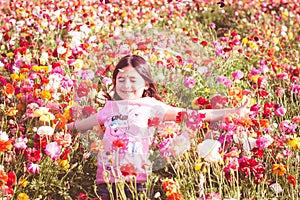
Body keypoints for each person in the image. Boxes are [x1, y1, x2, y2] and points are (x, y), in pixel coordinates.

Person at [66, 54, 249, 199]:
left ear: (146, 84)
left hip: (136, 182)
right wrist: (61, 127)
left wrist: (233, 111)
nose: (126, 85)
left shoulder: (151, 106)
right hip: (106, 181)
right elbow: (81, 125)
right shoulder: (109, 108)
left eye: (133, 80)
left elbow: (194, 114)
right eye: (121, 80)